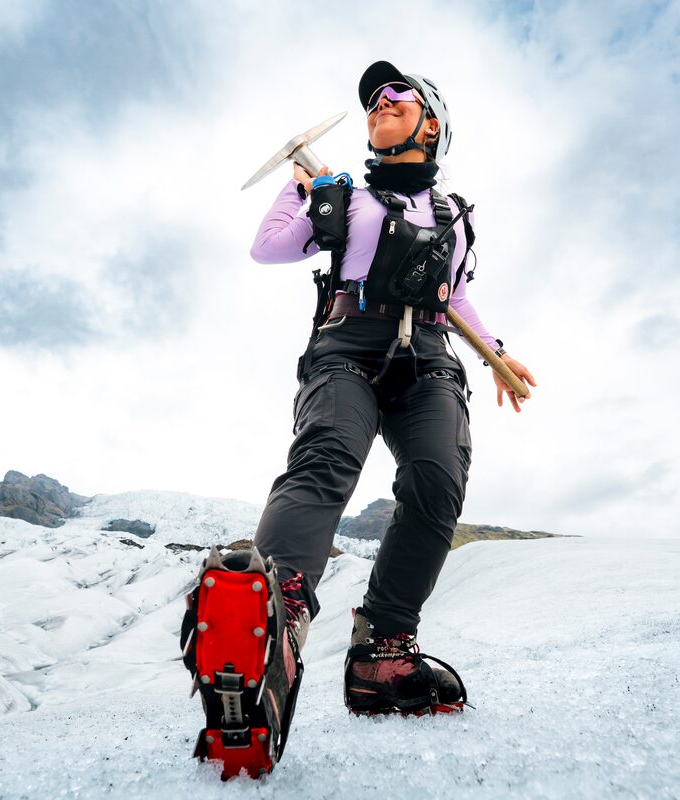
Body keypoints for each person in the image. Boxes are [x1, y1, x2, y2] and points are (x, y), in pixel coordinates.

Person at [180, 60, 537, 779]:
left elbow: (455, 297)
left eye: (397, 95)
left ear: (431, 122)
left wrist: (496, 351)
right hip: (348, 346)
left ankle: (383, 653)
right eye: (372, 101)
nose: (380, 103)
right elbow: (268, 248)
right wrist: (301, 187)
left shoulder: (455, 214)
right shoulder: (346, 196)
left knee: (438, 482)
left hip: (430, 355)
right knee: (327, 457)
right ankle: (270, 627)